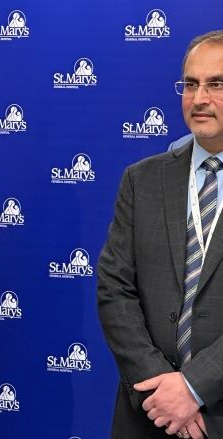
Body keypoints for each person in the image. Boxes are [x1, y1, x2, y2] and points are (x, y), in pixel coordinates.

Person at [98, 30, 223, 439]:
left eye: (216, 84)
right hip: (146, 413)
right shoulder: (142, 179)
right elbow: (115, 288)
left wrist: (193, 387)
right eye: (190, 84)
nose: (199, 98)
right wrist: (161, 388)